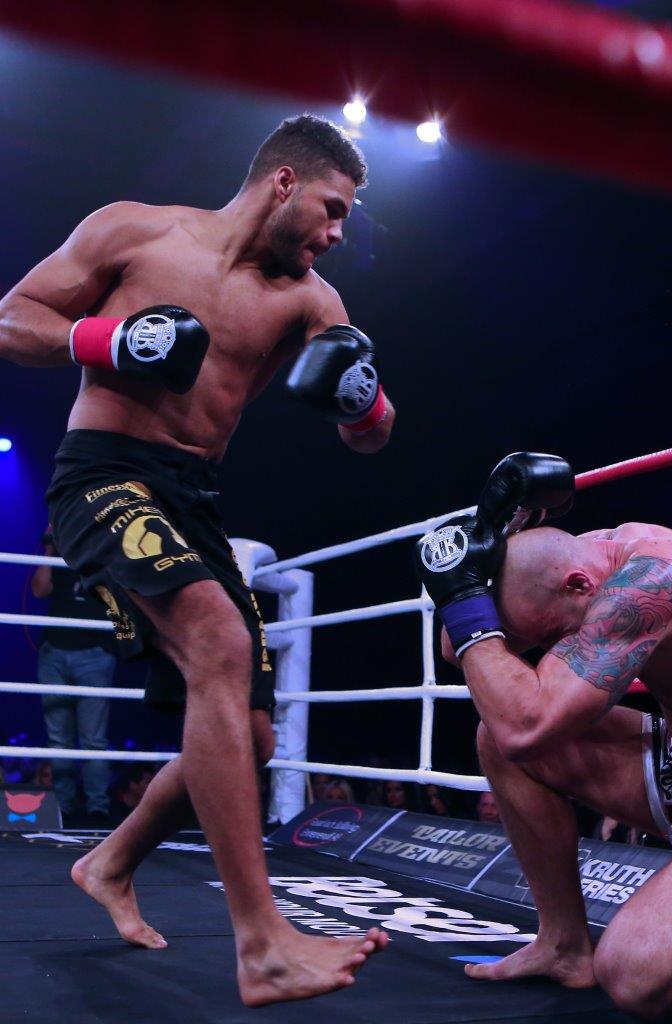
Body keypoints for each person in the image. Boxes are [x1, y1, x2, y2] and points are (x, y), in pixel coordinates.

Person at [0, 114, 393, 1007]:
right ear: (284, 182)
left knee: (250, 733)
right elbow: (12, 318)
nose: (337, 233)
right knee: (218, 640)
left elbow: (373, 432)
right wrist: (107, 340)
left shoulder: (312, 302)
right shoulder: (135, 231)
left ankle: (110, 862)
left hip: (194, 499)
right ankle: (261, 943)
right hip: (103, 473)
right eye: (333, 208)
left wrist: (360, 401)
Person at [414, 453, 672, 1015]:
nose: (558, 651)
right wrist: (485, 536)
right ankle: (563, 945)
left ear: (579, 587)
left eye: (556, 636)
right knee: (495, 738)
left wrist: (466, 603)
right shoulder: (580, 565)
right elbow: (461, 650)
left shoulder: (651, 582)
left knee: (633, 975)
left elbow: (525, 724)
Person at [32, 525, 116, 824]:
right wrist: (49, 546)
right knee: (59, 740)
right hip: (54, 653)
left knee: (93, 739)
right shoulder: (59, 556)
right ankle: (63, 807)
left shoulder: (108, 555)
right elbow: (39, 590)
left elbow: (123, 599)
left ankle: (97, 808)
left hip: (95, 653)